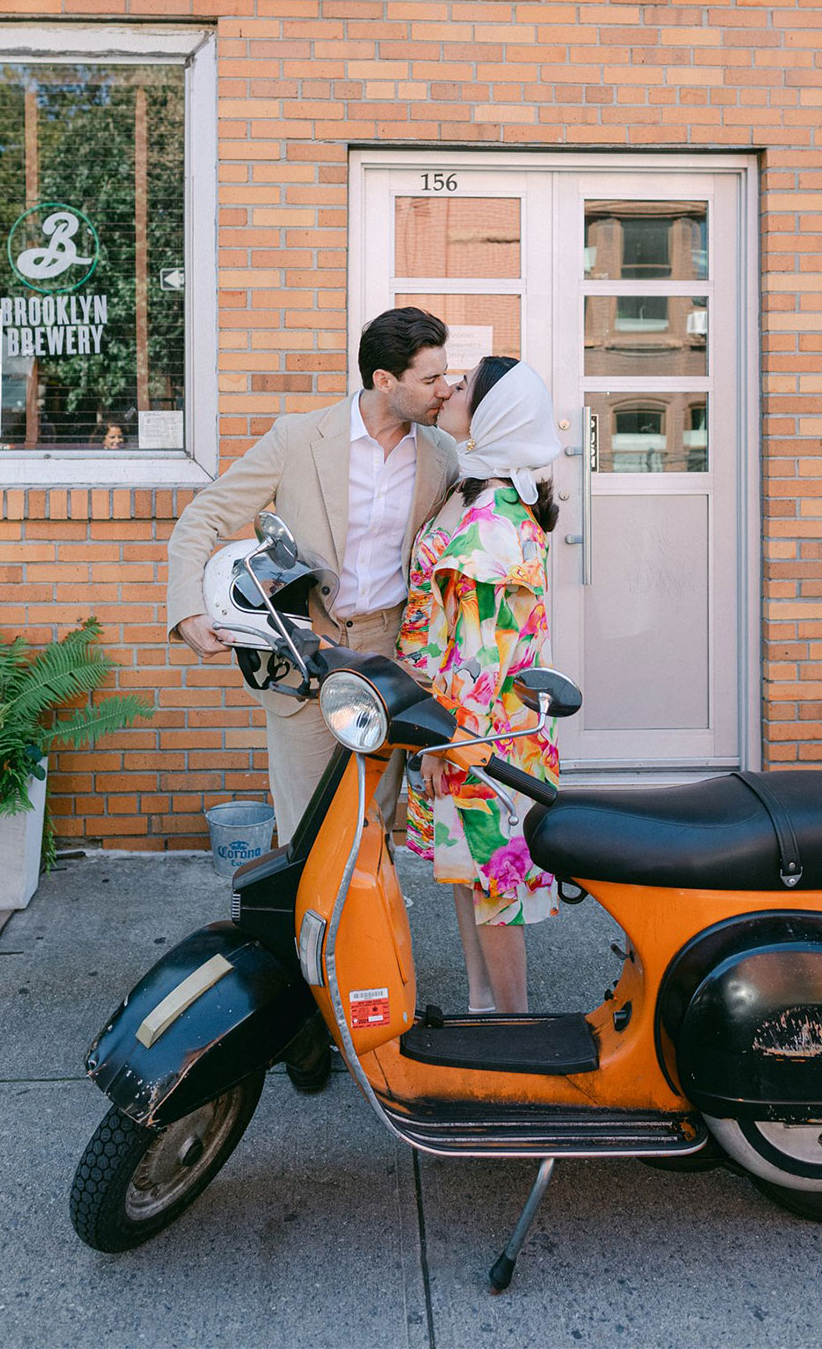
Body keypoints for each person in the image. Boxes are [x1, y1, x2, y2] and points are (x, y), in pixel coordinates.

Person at [167, 308, 458, 845]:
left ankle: (363, 930)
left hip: (386, 659)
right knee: (307, 835)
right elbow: (202, 518)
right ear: (385, 381)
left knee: (372, 828)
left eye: (446, 374)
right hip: (301, 655)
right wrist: (188, 609)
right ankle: (312, 931)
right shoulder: (297, 438)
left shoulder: (442, 454)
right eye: (431, 378)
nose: (446, 389)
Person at [398, 356, 563, 1016]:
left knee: (496, 887)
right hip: (475, 729)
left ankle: (513, 1028)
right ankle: (480, 1008)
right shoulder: (484, 493)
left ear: (493, 413)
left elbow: (475, 656)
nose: (450, 388)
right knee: (468, 874)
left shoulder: (491, 519)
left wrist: (444, 743)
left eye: (463, 386)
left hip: (478, 735)